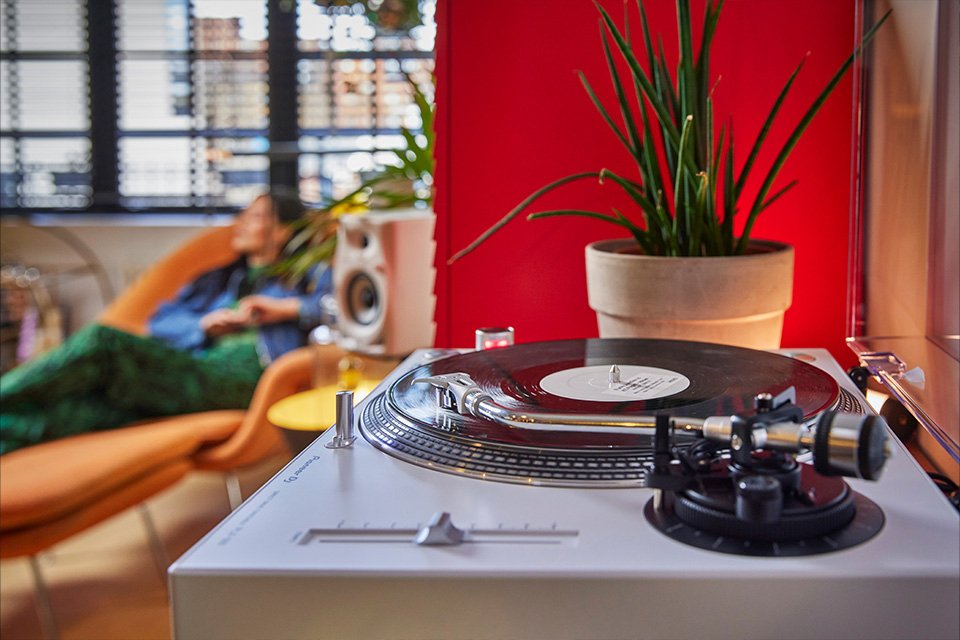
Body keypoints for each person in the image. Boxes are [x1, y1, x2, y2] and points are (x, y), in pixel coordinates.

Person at [0, 190, 332, 455]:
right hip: (193, 369)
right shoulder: (219, 280)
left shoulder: (308, 275)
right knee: (91, 409)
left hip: (249, 379)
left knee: (103, 341)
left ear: (283, 230)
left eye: (255, 216)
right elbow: (159, 323)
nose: (240, 223)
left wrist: (285, 308)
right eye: (242, 215)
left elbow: (343, 309)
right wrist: (203, 326)